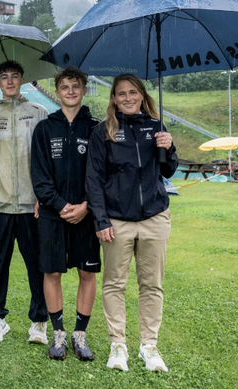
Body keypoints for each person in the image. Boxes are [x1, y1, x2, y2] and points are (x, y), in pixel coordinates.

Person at [85, 73, 178, 372]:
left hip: (155, 217)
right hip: (116, 220)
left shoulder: (155, 126)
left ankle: (149, 346)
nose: (127, 98)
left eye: (133, 92)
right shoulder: (103, 132)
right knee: (114, 284)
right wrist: (100, 219)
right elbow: (94, 180)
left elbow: (168, 171)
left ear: (142, 95)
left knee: (152, 285)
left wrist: (169, 146)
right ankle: (118, 345)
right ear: (113, 98)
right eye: (121, 93)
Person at [0, 61, 50, 345]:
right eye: (4, 77)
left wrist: (43, 196)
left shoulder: (38, 112)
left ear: (22, 80)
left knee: (37, 265)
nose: (9, 81)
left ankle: (39, 322)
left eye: (14, 76)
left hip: (32, 205)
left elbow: (45, 159)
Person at [31, 66, 101, 362]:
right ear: (57, 91)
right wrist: (60, 205)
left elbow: (102, 175)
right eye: (65, 87)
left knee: (87, 272)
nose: (70, 91)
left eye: (76, 86)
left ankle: (79, 334)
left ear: (84, 90)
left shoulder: (97, 128)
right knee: (52, 272)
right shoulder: (44, 129)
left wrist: (86, 206)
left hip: (87, 213)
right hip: (52, 214)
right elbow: (40, 177)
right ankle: (59, 333)